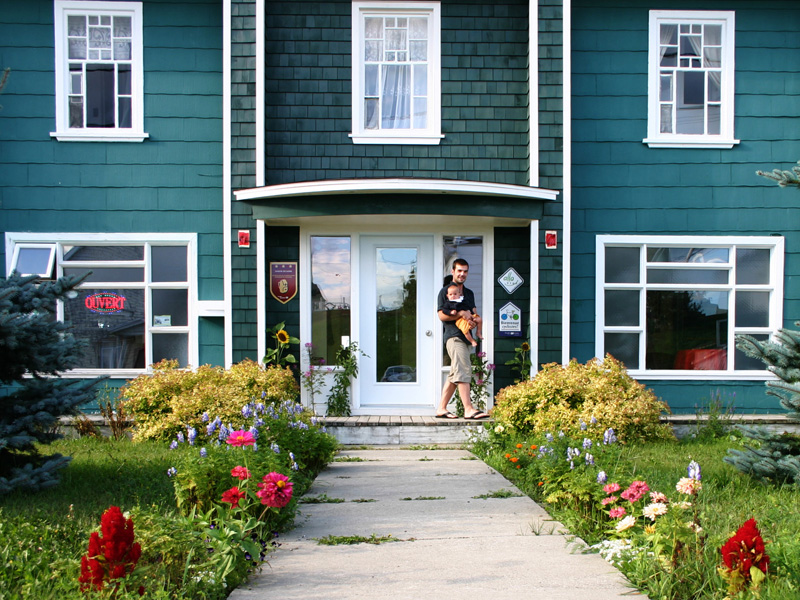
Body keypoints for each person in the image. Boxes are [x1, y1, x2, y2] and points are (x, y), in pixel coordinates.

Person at [435, 259, 489, 420]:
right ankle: (468, 409)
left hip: (466, 337)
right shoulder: (445, 291)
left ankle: (441, 408)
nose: (462, 274)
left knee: (455, 373)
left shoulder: (469, 293)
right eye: (459, 270)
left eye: (465, 271)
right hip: (454, 337)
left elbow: (473, 312)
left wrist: (473, 320)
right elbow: (441, 315)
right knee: (464, 369)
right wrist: (459, 314)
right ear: (453, 271)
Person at [441, 282, 483, 347]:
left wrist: (470, 314)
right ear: (447, 296)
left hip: (469, 316)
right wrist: (451, 312)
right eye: (451, 294)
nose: (453, 296)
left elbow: (470, 307)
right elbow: (444, 311)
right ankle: (472, 341)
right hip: (459, 321)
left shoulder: (463, 299)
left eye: (455, 294)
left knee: (479, 319)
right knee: (465, 330)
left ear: (459, 294)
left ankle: (478, 332)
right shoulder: (448, 303)